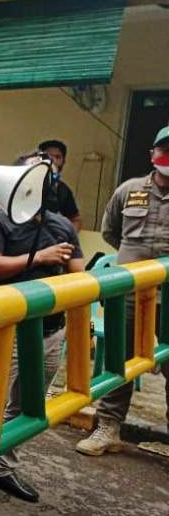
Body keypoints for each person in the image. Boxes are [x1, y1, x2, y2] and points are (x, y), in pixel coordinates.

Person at [0, 152, 83, 509]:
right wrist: (38, 258)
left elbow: (79, 275)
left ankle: (1, 464)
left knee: (26, 404)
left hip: (51, 330)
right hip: (8, 331)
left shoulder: (61, 225)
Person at [76, 126, 169, 456]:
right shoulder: (129, 190)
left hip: (168, 297)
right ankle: (108, 428)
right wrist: (133, 259)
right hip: (129, 292)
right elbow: (111, 231)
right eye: (164, 149)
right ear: (152, 155)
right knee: (120, 359)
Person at [38, 139, 82, 230]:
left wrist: (66, 235)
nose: (53, 161)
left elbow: (76, 220)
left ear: (63, 162)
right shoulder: (22, 181)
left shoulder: (63, 190)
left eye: (57, 157)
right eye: (48, 157)